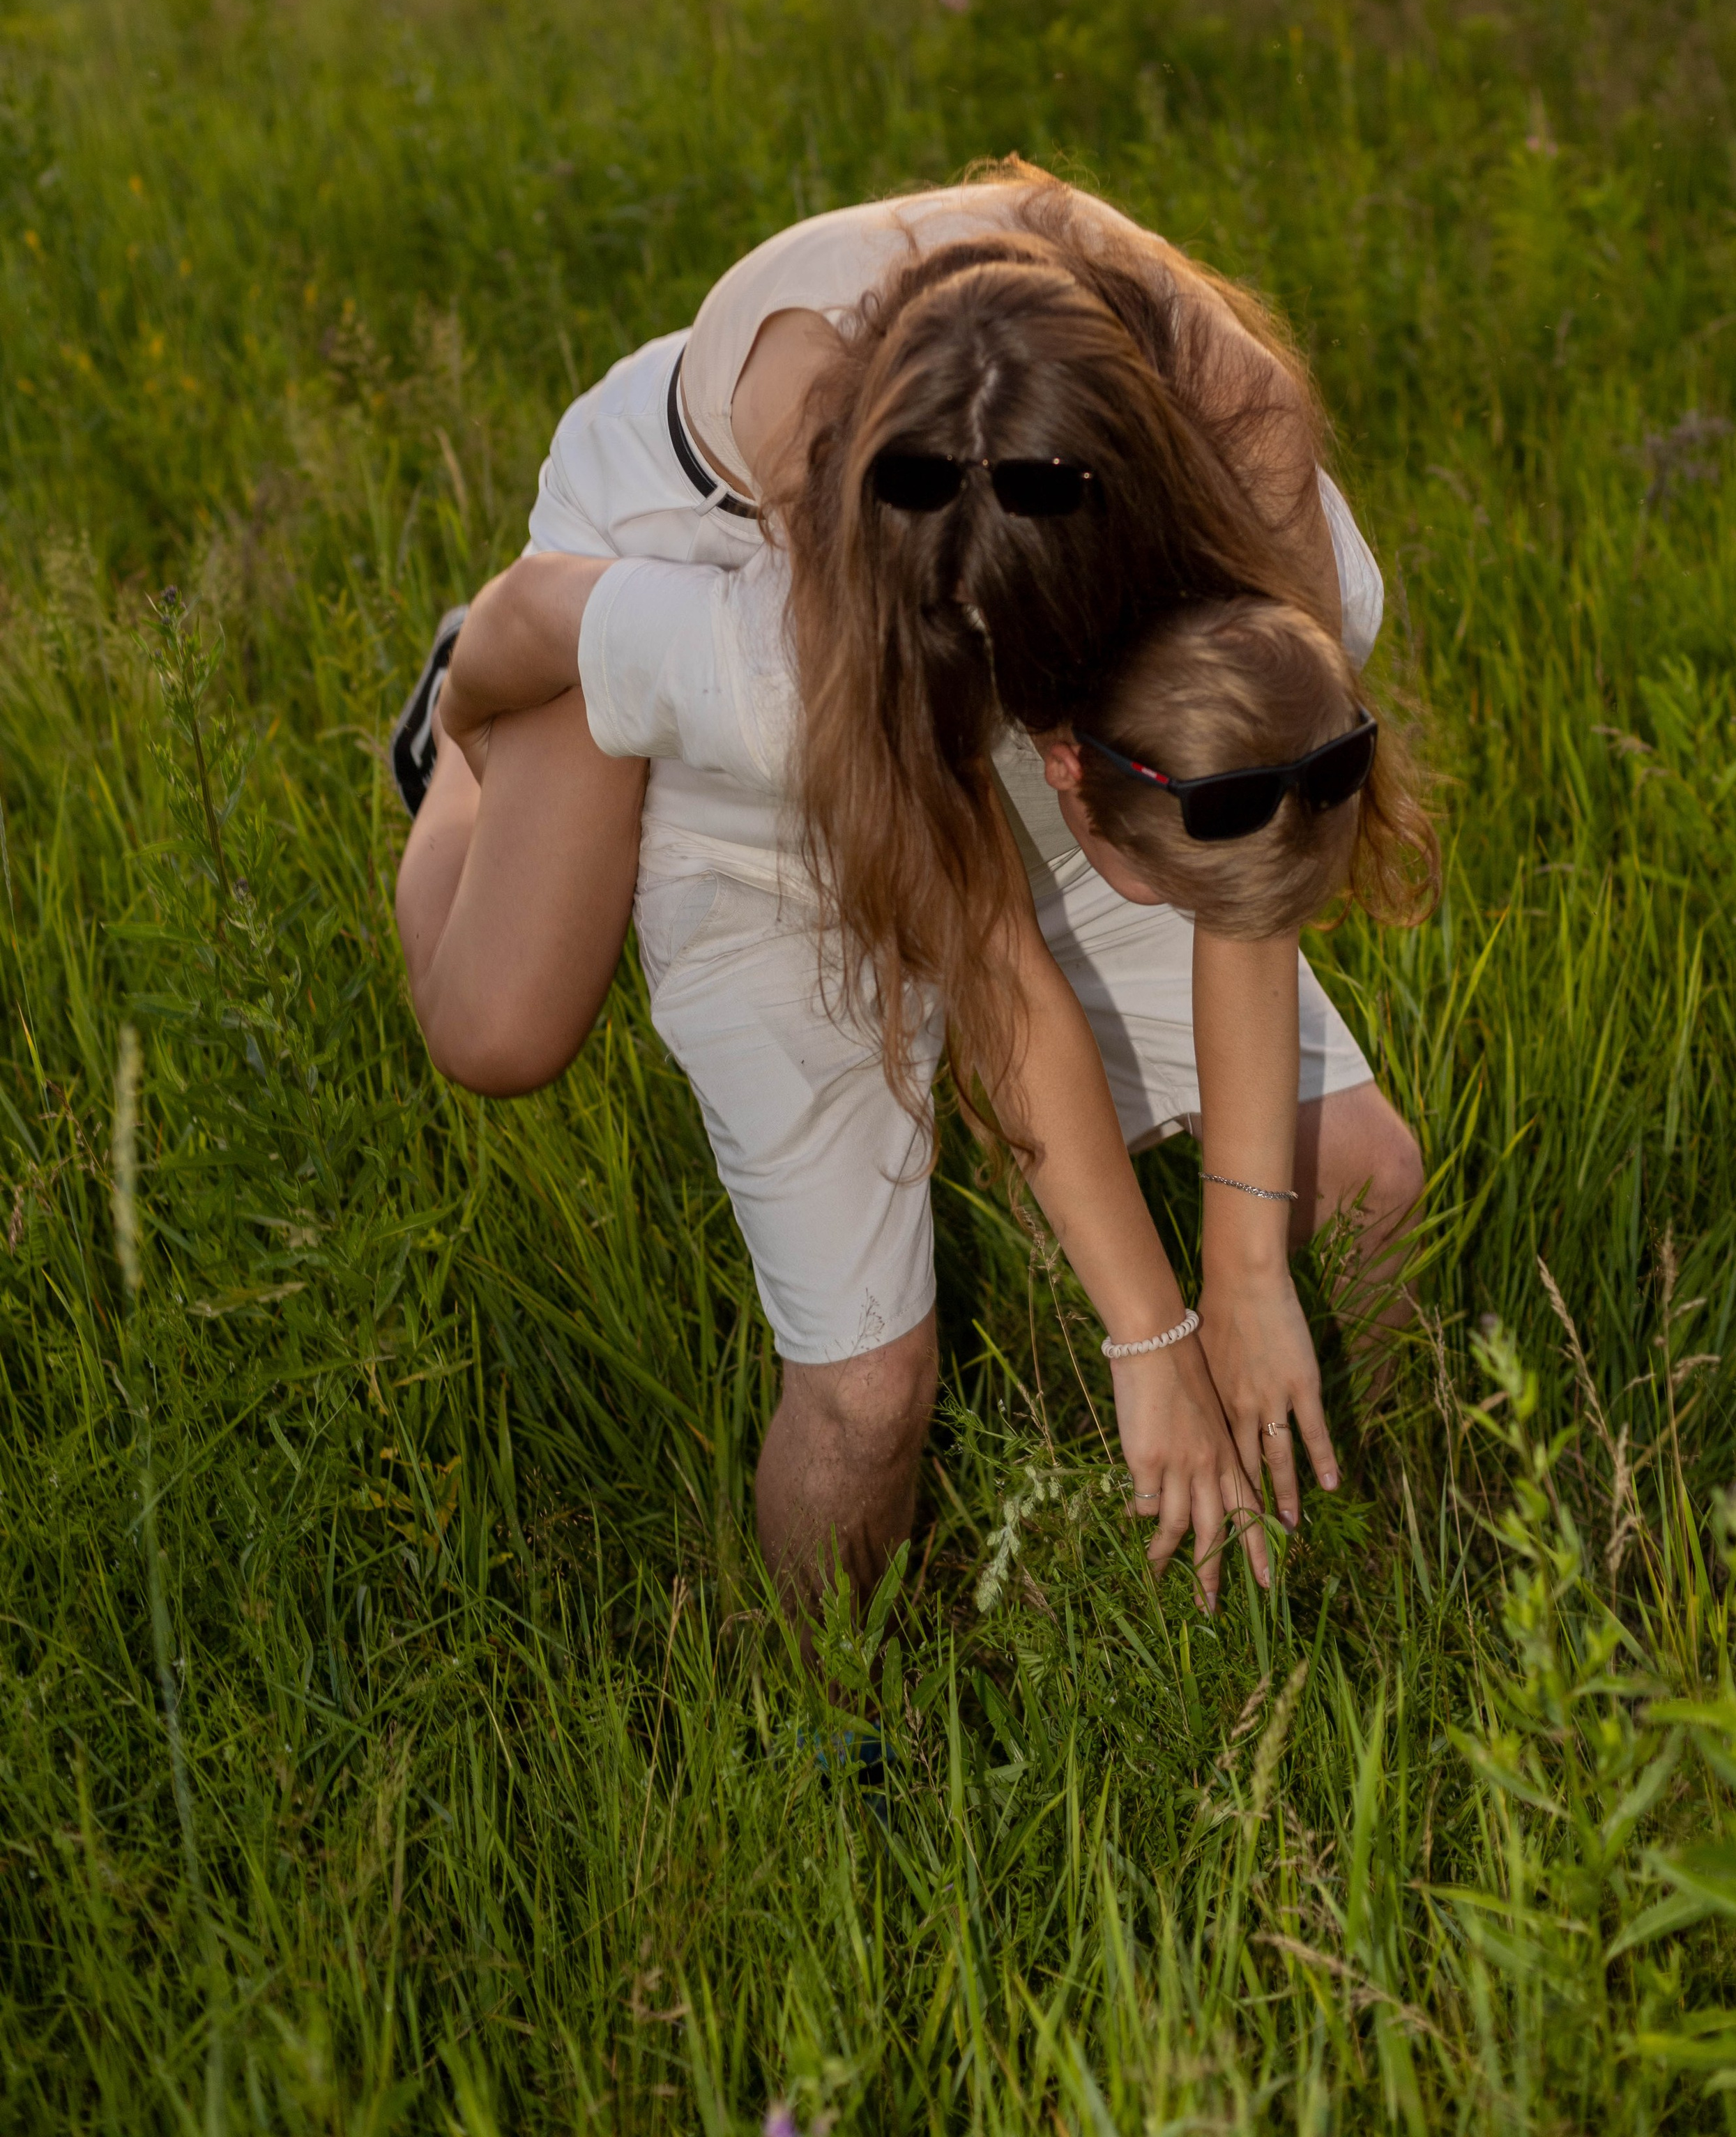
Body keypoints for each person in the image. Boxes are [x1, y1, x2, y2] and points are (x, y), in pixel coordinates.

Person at [393, 169, 1434, 1613]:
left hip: (958, 561)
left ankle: (1381, 1543)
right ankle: (464, 737)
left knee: (1367, 1175)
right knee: (503, 1038)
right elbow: (989, 957)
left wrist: (1245, 1270)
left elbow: (1237, 881)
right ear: (1065, 752)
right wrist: (1149, 1337)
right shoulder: (804, 618)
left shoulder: (1247, 465)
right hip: (667, 573)